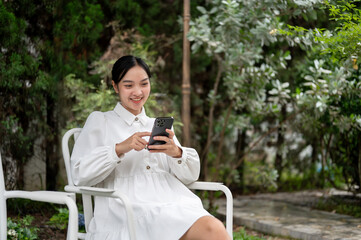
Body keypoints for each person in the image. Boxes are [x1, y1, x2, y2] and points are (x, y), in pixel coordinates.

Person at [70, 55, 230, 240]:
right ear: (115, 87)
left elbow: (190, 176)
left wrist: (176, 153)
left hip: (172, 200)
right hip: (127, 207)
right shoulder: (101, 121)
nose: (138, 92)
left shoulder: (157, 125)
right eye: (128, 85)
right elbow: (79, 175)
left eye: (144, 84)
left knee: (213, 228)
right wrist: (120, 148)